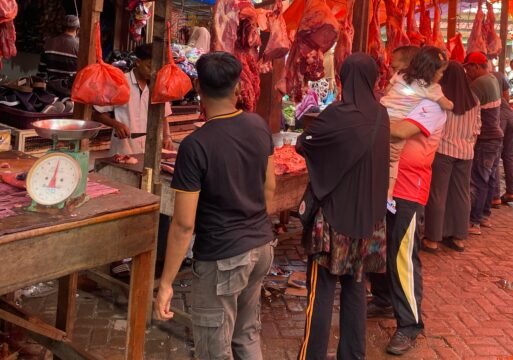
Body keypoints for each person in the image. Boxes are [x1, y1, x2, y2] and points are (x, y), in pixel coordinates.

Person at [155, 52, 276, 358]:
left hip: (223, 257)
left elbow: (183, 225)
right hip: (261, 248)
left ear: (199, 89)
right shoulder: (259, 126)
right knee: (246, 336)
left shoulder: (196, 146)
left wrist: (166, 283)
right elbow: (269, 187)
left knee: (214, 350)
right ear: (238, 87)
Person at [297, 53, 389, 360]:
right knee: (355, 289)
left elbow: (304, 142)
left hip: (334, 220)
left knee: (321, 292)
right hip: (369, 222)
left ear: (344, 78)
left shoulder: (336, 114)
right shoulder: (381, 115)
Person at [367, 47, 448, 356]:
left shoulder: (431, 106)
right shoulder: (405, 94)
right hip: (385, 185)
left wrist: (363, 123)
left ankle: (410, 324)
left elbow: (399, 131)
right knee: (380, 244)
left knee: (402, 255)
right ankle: (383, 299)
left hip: (408, 189)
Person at [423, 61, 480, 252]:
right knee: (461, 194)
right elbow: (477, 128)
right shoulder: (474, 99)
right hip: (466, 152)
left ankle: (432, 239)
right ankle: (458, 238)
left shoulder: (440, 98)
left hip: (442, 151)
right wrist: (468, 143)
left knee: (438, 194)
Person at [381, 46, 453, 197]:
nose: (441, 76)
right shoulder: (430, 90)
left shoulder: (401, 77)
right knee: (390, 161)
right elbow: (447, 104)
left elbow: (400, 132)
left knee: (386, 157)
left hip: (409, 186)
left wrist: (371, 125)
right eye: (440, 72)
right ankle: (387, 193)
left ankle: (387, 194)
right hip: (402, 183)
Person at [93, 44, 172, 155]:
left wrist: (167, 136)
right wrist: (116, 124)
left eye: (158, 68)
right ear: (138, 62)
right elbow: (97, 114)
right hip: (123, 149)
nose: (153, 72)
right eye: (149, 67)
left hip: (150, 149)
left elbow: (164, 115)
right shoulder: (120, 82)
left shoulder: (158, 85)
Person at [464, 52, 504, 234]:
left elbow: (466, 108)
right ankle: (485, 215)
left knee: (479, 179)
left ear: (477, 66)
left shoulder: (478, 83)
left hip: (486, 138)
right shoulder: (493, 78)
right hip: (495, 137)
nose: (467, 71)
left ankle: (475, 221)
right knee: (489, 178)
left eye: (469, 67)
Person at [495, 71, 513, 204]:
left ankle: (495, 195)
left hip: (498, 116)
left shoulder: (480, 78)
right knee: (508, 155)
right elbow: (506, 97)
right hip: (509, 114)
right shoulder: (500, 75)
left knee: (495, 156)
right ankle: (511, 191)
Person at [37, 15, 80, 82]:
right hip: (69, 90)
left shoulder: (48, 43)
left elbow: (41, 73)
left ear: (62, 28)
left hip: (50, 89)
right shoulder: (79, 46)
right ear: (77, 30)